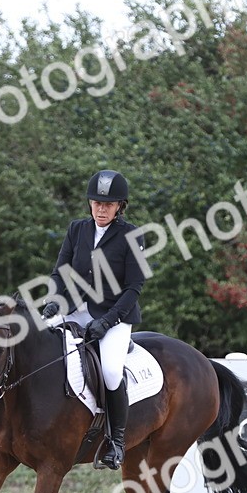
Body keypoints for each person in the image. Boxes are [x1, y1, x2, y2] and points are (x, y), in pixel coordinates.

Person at [40, 169, 146, 470]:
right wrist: (53, 302)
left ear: (119, 207)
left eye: (108, 204)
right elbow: (61, 272)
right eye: (97, 203)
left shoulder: (130, 236)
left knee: (112, 371)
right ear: (90, 203)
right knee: (34, 342)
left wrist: (109, 321)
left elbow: (133, 287)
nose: (101, 209)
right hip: (75, 309)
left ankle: (116, 441)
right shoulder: (77, 230)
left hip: (115, 315)